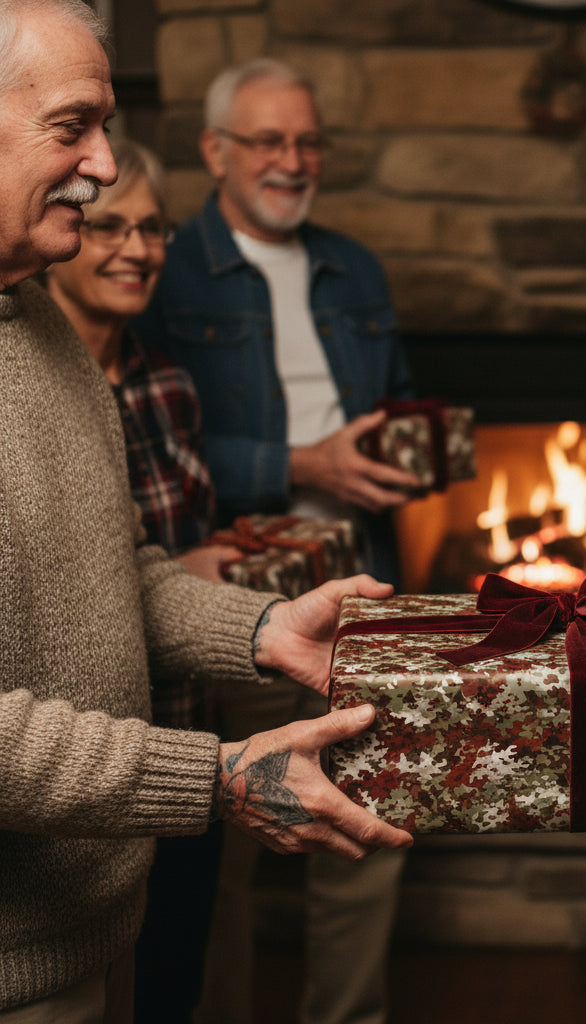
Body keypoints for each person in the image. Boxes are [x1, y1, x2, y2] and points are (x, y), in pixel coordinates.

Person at [0, 2, 412, 1021]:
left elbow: (118, 567)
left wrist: (266, 630)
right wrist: (217, 775)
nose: (103, 167)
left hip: (97, 931)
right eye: (70, 126)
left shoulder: (41, 314)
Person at [133, 57, 420, 1024]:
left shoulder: (358, 268)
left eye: (306, 141)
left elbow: (393, 402)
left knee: (370, 833)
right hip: (237, 607)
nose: (291, 160)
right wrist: (303, 466)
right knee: (225, 853)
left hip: (362, 594)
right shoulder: (161, 266)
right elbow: (159, 432)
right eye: (267, 140)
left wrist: (405, 450)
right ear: (215, 151)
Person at [43, 134, 244, 1023]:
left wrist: (246, 602)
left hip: (190, 723)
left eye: (155, 228)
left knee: (171, 978)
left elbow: (156, 559)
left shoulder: (167, 384)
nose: (136, 249)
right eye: (112, 225)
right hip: (78, 758)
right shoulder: (41, 379)